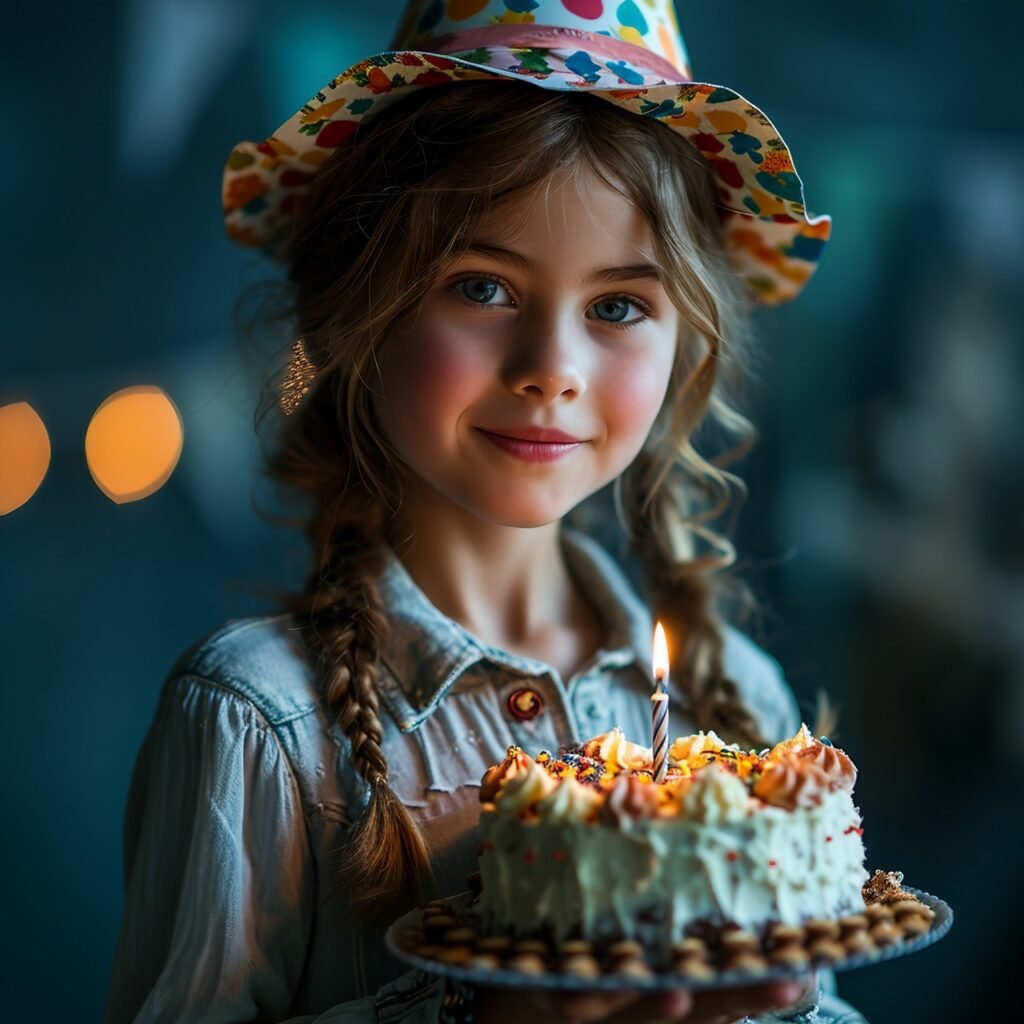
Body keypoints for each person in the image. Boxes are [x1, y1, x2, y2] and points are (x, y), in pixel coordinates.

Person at [104, 2, 867, 1022]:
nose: (551, 370)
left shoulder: (739, 710)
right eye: (483, 286)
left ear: (685, 341)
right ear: (360, 312)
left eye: (616, 306)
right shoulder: (260, 724)